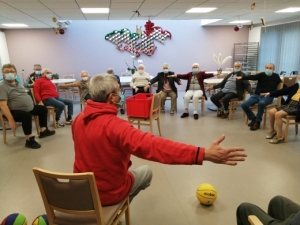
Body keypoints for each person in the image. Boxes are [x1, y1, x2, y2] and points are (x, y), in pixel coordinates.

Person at [72, 73, 247, 207]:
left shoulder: (78, 119)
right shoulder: (117, 127)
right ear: (111, 98)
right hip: (107, 194)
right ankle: (117, 210)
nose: (121, 95)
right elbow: (157, 147)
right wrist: (204, 154)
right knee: (147, 172)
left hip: (81, 189)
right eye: (119, 92)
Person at [0, 64, 55, 149]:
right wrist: (10, 119)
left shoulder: (17, 83)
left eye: (11, 71)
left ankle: (43, 131)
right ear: (3, 74)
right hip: (13, 111)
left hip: (27, 108)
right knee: (26, 116)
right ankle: (29, 140)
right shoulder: (2, 86)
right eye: (6, 72)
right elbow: (2, 105)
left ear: (15, 73)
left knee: (42, 109)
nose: (9, 73)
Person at [237, 63, 282, 131]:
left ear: (273, 69)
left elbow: (282, 85)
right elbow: (252, 77)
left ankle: (257, 122)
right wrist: (242, 77)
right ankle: (253, 119)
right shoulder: (261, 75)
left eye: (270, 68)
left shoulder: (276, 76)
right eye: (267, 67)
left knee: (261, 103)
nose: (268, 69)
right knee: (244, 104)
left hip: (268, 96)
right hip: (257, 95)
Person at [261, 75, 300, 144]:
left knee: (278, 114)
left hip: (297, 107)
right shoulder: (297, 85)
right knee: (271, 111)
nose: (299, 77)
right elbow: (283, 91)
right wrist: (270, 93)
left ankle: (279, 136)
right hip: (289, 104)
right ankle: (272, 130)